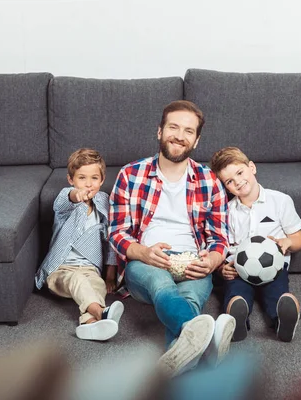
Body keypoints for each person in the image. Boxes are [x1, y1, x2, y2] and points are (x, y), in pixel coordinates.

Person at [109, 100, 235, 378]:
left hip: (194, 262)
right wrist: (142, 252)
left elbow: (219, 236)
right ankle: (211, 338)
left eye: (188, 131)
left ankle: (178, 366)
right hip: (147, 262)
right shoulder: (130, 175)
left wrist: (212, 260)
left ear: (196, 139)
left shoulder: (209, 180)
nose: (180, 135)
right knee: (161, 283)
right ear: (159, 131)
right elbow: (116, 232)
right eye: (173, 127)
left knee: (189, 300)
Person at [210, 146, 301, 343]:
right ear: (225, 187)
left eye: (240, 172)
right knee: (236, 291)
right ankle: (237, 321)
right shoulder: (227, 211)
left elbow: (299, 241)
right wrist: (221, 268)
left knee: (276, 292)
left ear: (251, 167)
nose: (238, 182)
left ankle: (283, 320)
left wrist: (287, 242)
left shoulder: (280, 201)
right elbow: (223, 246)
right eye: (229, 181)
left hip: (274, 267)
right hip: (239, 267)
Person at [35, 148, 124, 341]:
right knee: (77, 280)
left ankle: (90, 324)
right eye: (82, 178)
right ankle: (103, 314)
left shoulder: (103, 201)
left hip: (90, 269)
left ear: (101, 180)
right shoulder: (66, 196)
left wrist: (109, 276)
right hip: (60, 270)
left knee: (96, 286)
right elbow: (65, 201)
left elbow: (109, 240)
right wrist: (77, 195)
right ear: (71, 180)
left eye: (94, 178)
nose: (88, 184)